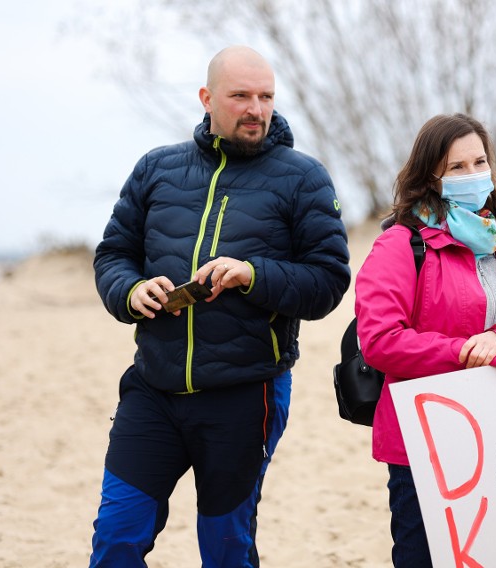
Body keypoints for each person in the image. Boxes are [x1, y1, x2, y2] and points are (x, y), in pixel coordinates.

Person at [88, 45, 350, 567]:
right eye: (241, 96)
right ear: (208, 98)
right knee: (116, 535)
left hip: (244, 394)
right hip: (153, 388)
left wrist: (252, 274)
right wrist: (130, 291)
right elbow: (113, 254)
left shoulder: (303, 178)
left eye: (266, 97)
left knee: (226, 551)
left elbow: (328, 281)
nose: (256, 109)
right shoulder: (156, 169)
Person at [354, 113, 496, 566]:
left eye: (479, 162)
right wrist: (469, 353)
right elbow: (381, 341)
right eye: (457, 167)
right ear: (431, 178)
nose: (472, 175)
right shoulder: (400, 246)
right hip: (425, 444)